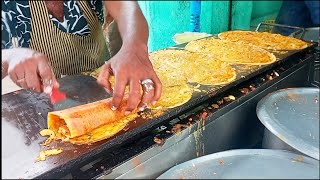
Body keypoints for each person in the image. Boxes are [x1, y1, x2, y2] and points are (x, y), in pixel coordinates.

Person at [1, 1, 162, 114]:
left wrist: (134, 47)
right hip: (46, 103)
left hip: (103, 87)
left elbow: (126, 6)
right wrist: (10, 57)